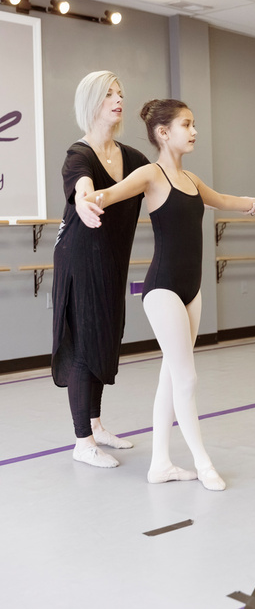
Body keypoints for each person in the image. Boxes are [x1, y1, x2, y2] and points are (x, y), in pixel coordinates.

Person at [78, 98, 255, 490]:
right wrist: (86, 198)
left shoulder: (192, 181)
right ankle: (202, 462)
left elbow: (226, 201)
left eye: (193, 124)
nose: (193, 131)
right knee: (187, 379)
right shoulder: (150, 174)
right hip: (162, 290)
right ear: (163, 132)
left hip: (192, 290)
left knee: (171, 379)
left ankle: (160, 464)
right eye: (186, 124)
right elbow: (109, 194)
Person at [52, 71, 150, 469]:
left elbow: (165, 180)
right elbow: (82, 187)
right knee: (83, 344)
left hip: (110, 262)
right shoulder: (80, 153)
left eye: (120, 93)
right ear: (91, 102)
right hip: (79, 258)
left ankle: (95, 423)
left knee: (105, 339)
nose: (118, 99)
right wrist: (86, 202)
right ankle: (82, 440)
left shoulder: (131, 157)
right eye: (109, 94)